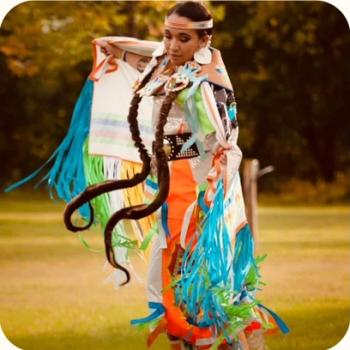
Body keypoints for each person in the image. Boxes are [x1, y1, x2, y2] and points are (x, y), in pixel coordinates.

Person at [7, 2, 288, 349]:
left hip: (204, 202)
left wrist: (209, 188)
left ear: (205, 40)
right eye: (168, 35)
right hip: (174, 197)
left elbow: (224, 144)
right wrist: (118, 51)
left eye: (183, 38)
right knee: (170, 284)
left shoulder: (209, 82)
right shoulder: (168, 63)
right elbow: (149, 54)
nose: (172, 45)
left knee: (207, 286)